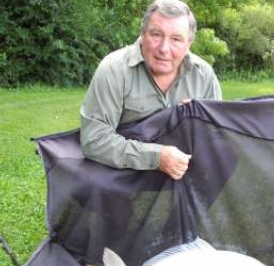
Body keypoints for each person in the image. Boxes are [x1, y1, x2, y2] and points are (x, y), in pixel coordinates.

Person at [80, 0, 222, 180]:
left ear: (189, 44)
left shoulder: (204, 75)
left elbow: (217, 138)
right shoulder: (113, 70)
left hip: (185, 184)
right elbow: (95, 140)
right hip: (122, 184)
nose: (164, 48)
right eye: (156, 34)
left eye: (176, 39)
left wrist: (197, 119)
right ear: (142, 34)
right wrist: (156, 157)